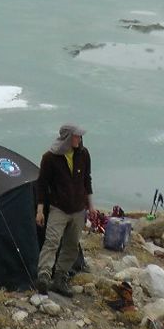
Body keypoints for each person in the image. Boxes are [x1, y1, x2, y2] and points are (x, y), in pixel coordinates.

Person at [36, 123, 93, 297]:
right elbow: (42, 185)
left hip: (78, 209)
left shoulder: (83, 154)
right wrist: (40, 210)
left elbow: (86, 179)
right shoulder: (50, 158)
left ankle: (60, 277)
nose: (80, 139)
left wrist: (90, 205)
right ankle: (44, 276)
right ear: (68, 138)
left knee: (71, 245)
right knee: (51, 242)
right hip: (58, 208)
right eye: (77, 136)